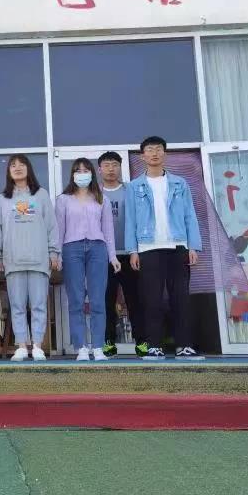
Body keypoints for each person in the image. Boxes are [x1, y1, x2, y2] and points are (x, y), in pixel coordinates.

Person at [125, 136, 203, 360]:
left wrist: (193, 246)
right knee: (152, 300)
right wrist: (132, 250)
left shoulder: (180, 183)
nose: (154, 153)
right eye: (150, 150)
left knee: (181, 298)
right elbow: (130, 220)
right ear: (143, 156)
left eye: (158, 149)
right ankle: (154, 346)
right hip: (147, 248)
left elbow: (190, 215)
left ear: (165, 154)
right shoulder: (134, 186)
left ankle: (184, 345)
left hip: (178, 246)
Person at [0, 155, 59, 362]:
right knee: (17, 306)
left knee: (39, 305)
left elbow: (52, 226)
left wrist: (54, 252)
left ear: (28, 168)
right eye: (13, 165)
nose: (17, 168)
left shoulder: (41, 194)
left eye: (21, 164)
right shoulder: (3, 198)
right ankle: (21, 346)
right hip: (13, 260)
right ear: (8, 172)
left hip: (39, 259)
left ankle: (37, 345)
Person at [55, 158, 120, 362]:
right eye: (78, 170)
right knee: (76, 300)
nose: (82, 174)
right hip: (71, 248)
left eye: (85, 170)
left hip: (97, 249)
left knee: (97, 300)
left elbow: (108, 230)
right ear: (72, 174)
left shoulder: (101, 198)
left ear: (92, 173)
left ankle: (98, 347)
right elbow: (59, 230)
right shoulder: (63, 200)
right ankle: (81, 347)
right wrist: (57, 254)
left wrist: (113, 256)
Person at [98, 151, 145, 357]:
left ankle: (142, 341)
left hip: (129, 253)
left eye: (115, 164)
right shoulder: (95, 193)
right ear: (99, 169)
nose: (111, 169)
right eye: (107, 165)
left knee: (135, 299)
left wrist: (137, 249)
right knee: (106, 300)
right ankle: (108, 341)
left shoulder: (130, 190)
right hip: (103, 256)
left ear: (120, 167)